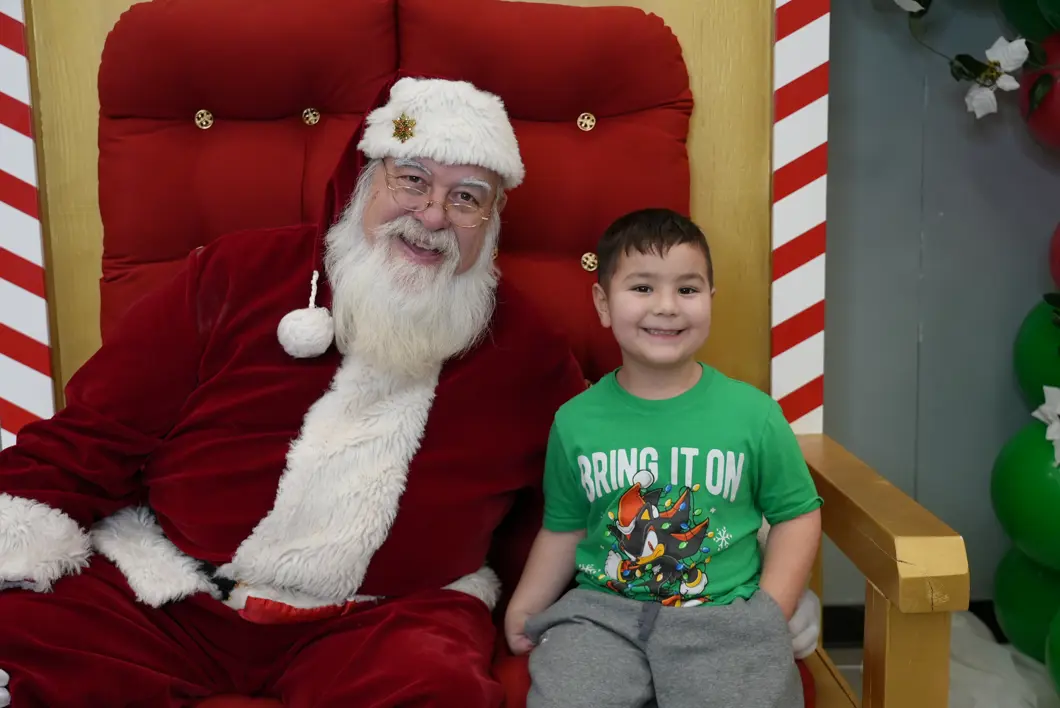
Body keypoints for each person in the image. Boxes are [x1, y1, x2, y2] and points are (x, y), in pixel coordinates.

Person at [0, 77, 586, 708]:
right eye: (412, 180)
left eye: (466, 198)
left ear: (491, 221)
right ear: (364, 180)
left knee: (439, 690)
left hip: (385, 623)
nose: (434, 215)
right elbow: (95, 434)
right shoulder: (234, 273)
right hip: (169, 594)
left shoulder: (529, 350)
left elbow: (583, 486)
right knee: (21, 635)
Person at [504, 208, 824, 708]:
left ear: (711, 299)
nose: (667, 307)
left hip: (722, 615)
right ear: (603, 303)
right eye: (642, 288)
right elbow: (564, 527)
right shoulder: (575, 420)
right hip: (602, 617)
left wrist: (770, 609)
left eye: (688, 289)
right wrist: (525, 607)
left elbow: (797, 515)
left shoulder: (753, 414)